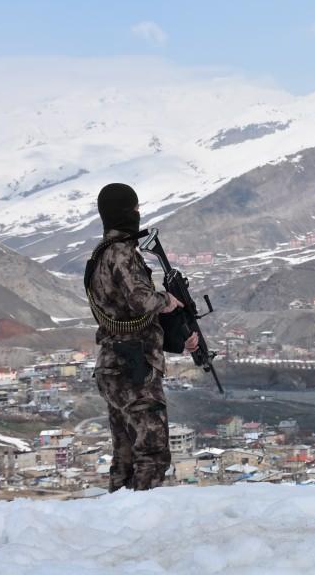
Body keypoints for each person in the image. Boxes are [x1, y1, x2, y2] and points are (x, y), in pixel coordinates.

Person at [87, 183, 198, 492]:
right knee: (152, 454)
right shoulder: (122, 253)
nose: (138, 215)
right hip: (134, 370)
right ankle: (140, 528)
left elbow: (127, 319)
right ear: (127, 212)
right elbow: (142, 302)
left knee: (124, 457)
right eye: (135, 210)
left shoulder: (99, 256)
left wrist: (177, 339)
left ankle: (117, 520)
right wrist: (167, 301)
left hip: (113, 365)